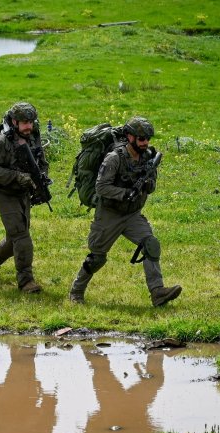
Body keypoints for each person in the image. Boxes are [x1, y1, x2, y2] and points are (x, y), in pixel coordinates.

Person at [68, 116, 182, 307]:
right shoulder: (114, 158)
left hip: (132, 215)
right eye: (141, 139)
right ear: (129, 137)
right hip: (109, 215)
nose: (145, 143)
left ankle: (157, 292)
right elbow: (101, 188)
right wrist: (125, 193)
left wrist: (147, 183)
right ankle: (76, 292)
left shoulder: (148, 158)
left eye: (147, 139)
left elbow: (152, 187)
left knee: (151, 245)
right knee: (96, 258)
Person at [0, 102, 49, 293]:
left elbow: (41, 160)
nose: (28, 126)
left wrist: (40, 178)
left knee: (14, 239)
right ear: (15, 121)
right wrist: (18, 177)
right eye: (24, 122)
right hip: (4, 192)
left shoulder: (32, 137)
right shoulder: (0, 141)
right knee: (21, 236)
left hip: (23, 192)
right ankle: (26, 281)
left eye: (31, 122)